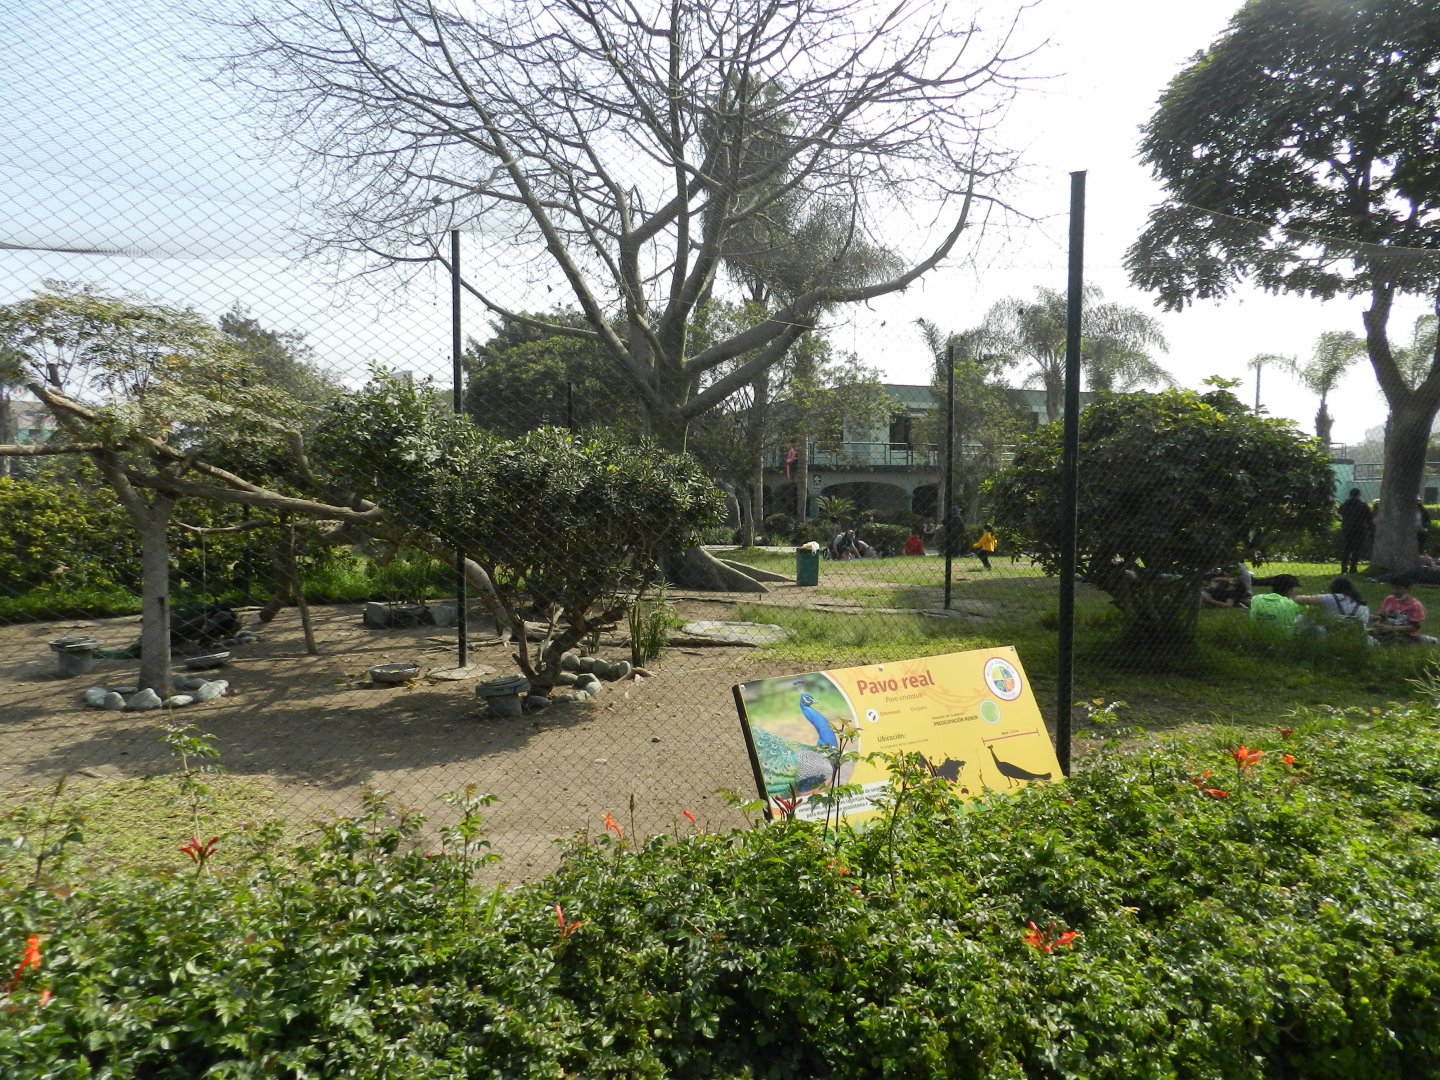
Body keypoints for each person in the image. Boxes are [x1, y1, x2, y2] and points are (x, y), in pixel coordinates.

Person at [1371, 574, 1433, 644]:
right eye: (1393, 588)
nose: (1394, 591)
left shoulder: (1415, 605)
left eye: (1398, 589)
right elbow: (1382, 617)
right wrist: (1371, 617)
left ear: (1408, 589)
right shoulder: (1389, 599)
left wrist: (1391, 628)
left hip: (1405, 634)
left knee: (1391, 640)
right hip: (1388, 631)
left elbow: (1414, 627)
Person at [1294, 576, 1369, 633]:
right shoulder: (1363, 607)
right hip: (1355, 638)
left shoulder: (1333, 598)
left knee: (1302, 618)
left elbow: (1300, 599)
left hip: (1332, 634)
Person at [1338, 488, 1372, 574]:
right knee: (1357, 549)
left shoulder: (1345, 505)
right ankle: (1353, 568)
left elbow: (1340, 512)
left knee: (1346, 549)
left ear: (1350, 495)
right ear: (1359, 495)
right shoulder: (1363, 505)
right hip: (1359, 529)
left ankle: (1344, 567)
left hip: (1347, 529)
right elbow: (1368, 518)